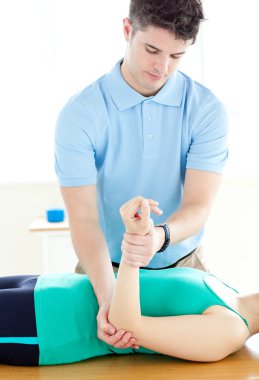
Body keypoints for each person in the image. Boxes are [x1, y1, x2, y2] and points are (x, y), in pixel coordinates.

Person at [54, 0, 229, 349]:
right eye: (152, 49)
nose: (162, 66)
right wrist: (109, 298)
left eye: (177, 56)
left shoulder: (207, 110)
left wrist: (158, 238)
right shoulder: (81, 114)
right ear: (127, 29)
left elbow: (198, 206)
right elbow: (84, 218)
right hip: (104, 269)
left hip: (182, 262)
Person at [0, 197, 257, 366]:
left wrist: (135, 242)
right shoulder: (230, 292)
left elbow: (129, 325)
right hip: (46, 286)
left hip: (46, 325)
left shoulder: (229, 331)